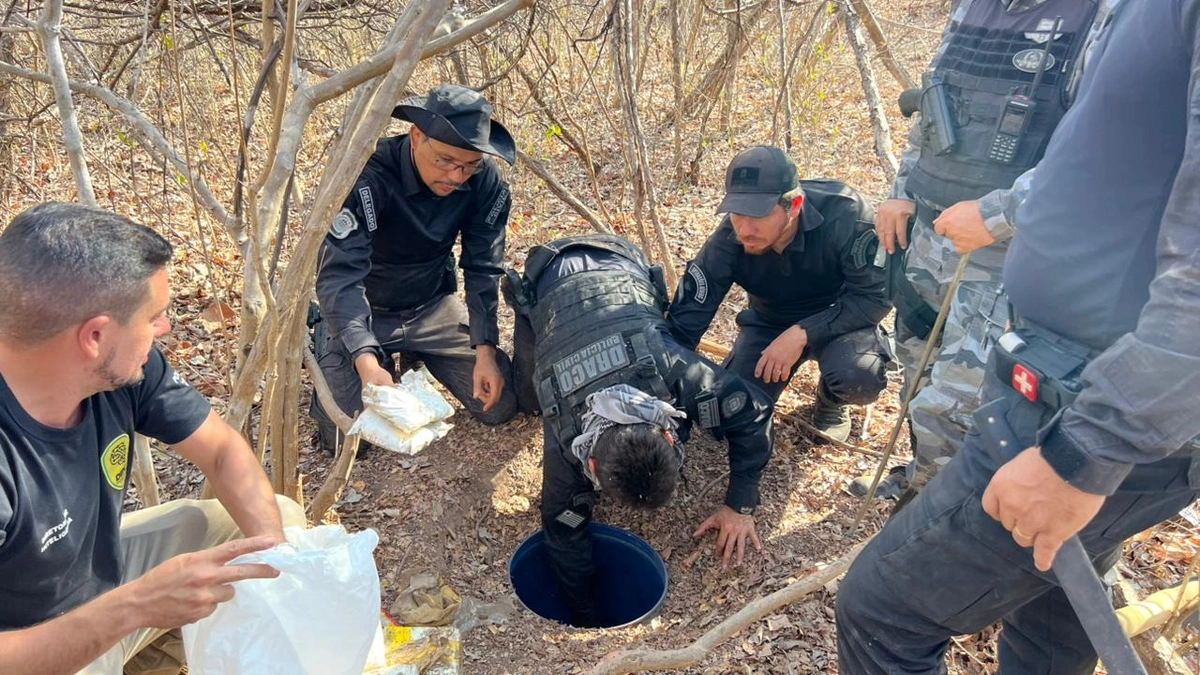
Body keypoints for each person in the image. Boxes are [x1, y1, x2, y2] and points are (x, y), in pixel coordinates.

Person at [837, 2, 1200, 672]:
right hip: (1057, 364)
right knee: (1052, 612)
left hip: (1096, 399)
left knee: (881, 611)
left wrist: (1087, 450)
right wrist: (903, 189)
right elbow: (1092, 156)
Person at [0, 202, 306, 675]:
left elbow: (223, 452)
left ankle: (157, 650)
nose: (165, 328)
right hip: (32, 644)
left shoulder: (123, 371)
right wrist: (138, 606)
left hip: (101, 574)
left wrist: (278, 556)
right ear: (95, 336)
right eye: (155, 316)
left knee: (272, 528)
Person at [852, 0, 1105, 499]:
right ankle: (923, 479)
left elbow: (1102, 152)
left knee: (955, 402)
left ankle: (937, 513)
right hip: (929, 236)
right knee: (917, 374)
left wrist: (995, 217)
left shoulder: (1099, 17)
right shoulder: (973, 9)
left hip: (1009, 256)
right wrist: (902, 189)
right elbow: (934, 104)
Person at [505, 234, 774, 627]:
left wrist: (740, 503)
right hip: (547, 278)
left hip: (621, 264)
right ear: (589, 461)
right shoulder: (561, 416)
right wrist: (585, 615)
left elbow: (754, 414)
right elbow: (562, 530)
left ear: (668, 432)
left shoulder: (672, 369)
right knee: (528, 400)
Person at [311, 83, 518, 451]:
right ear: (416, 135)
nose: (456, 177)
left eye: (468, 166)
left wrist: (485, 347)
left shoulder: (484, 180)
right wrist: (365, 357)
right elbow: (340, 276)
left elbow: (484, 265)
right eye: (445, 161)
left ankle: (418, 355)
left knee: (499, 405)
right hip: (366, 311)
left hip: (430, 306)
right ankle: (340, 348)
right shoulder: (367, 178)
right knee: (350, 439)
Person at [667, 145, 890, 443]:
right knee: (728, 412)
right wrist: (662, 393)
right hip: (769, 322)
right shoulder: (728, 240)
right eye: (737, 213)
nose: (744, 229)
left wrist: (803, 333)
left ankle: (831, 401)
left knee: (859, 377)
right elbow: (685, 322)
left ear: (794, 204)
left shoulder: (846, 213)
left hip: (839, 317)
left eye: (758, 215)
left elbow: (875, 297)